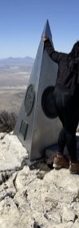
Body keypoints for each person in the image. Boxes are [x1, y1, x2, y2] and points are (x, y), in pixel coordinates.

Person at [43, 36, 79, 173]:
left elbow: (51, 53)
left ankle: (59, 158)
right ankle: (74, 164)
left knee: (66, 126)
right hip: (70, 100)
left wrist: (46, 41)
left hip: (56, 97)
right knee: (70, 130)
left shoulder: (63, 58)